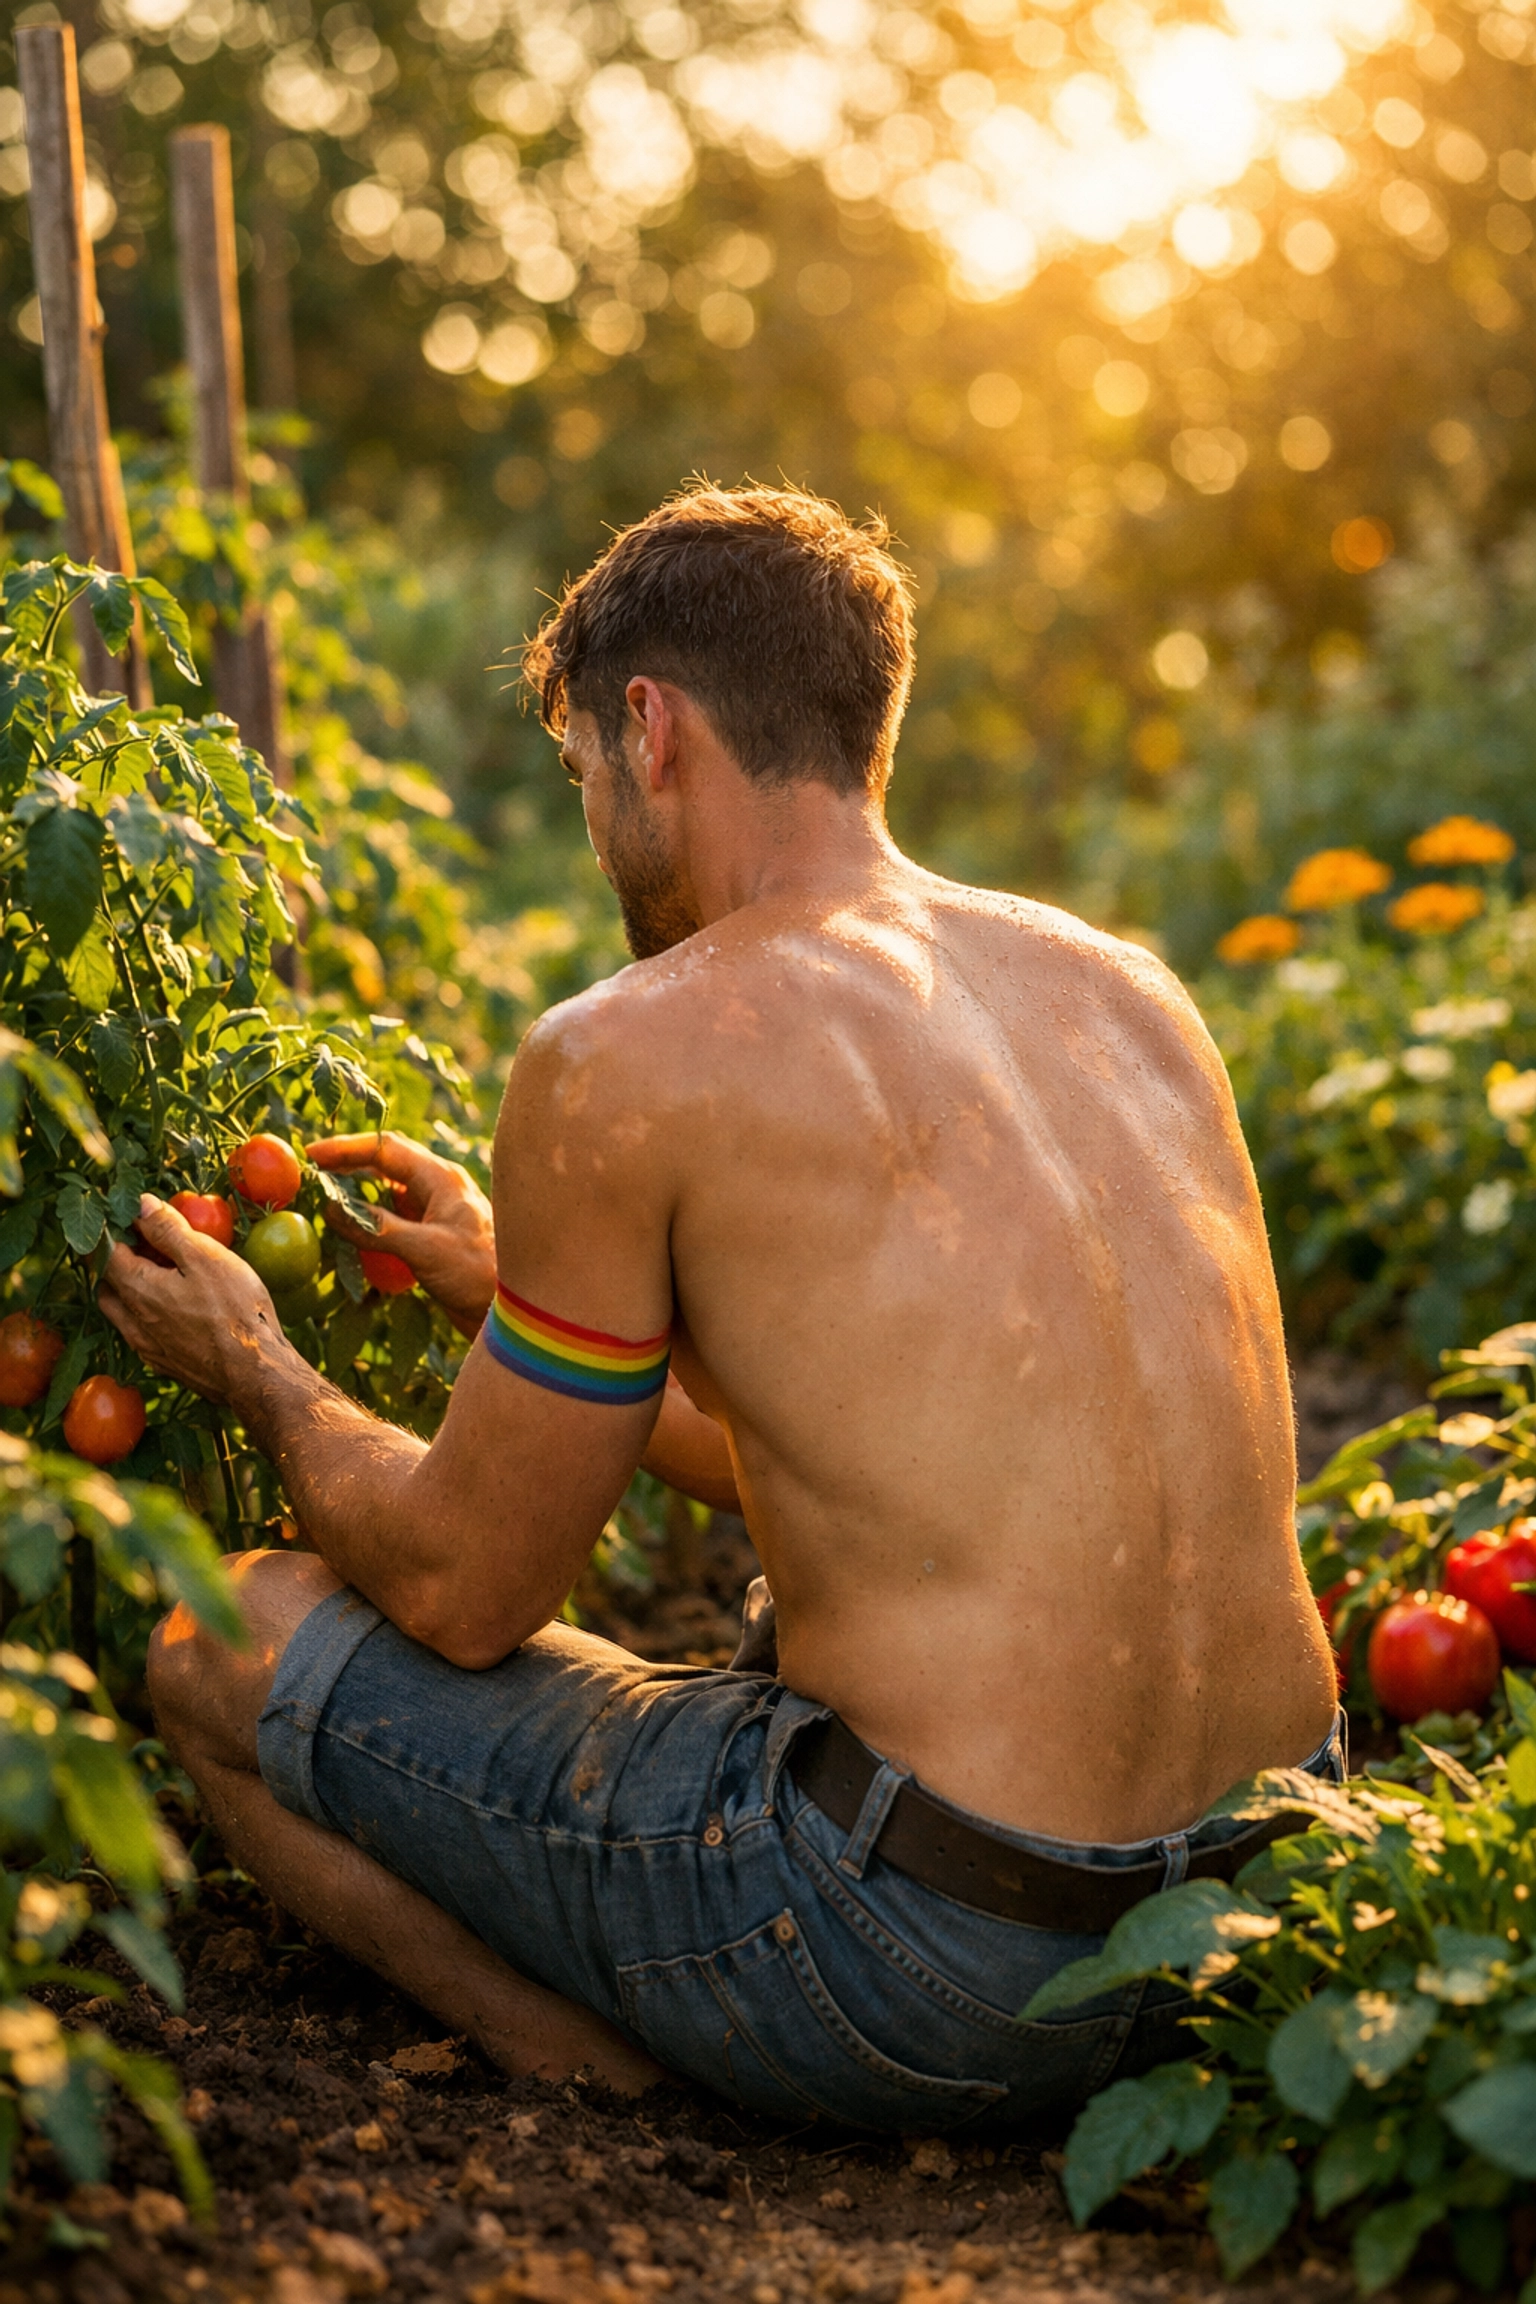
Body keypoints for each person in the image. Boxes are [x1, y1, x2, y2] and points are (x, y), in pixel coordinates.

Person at [102, 484, 1340, 2132]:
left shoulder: (630, 1051)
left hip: (935, 1969)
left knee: (214, 1636)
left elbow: (466, 1591)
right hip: (1255, 1928)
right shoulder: (1124, 992)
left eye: (583, 781)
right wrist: (502, 1289)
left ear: (648, 728)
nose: (595, 824)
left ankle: (608, 2081)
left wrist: (256, 1364)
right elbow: (896, 1472)